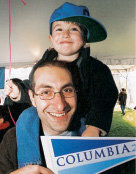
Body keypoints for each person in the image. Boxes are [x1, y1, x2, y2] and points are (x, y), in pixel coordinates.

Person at [4, 2, 118, 137]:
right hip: (49, 119)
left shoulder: (97, 69)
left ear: (84, 39)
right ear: (51, 39)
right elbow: (34, 86)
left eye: (74, 29)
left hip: (80, 121)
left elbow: (104, 99)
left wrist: (94, 126)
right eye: (59, 29)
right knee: (27, 116)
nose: (65, 34)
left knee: (77, 131)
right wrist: (18, 92)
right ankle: (31, 159)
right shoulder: (43, 66)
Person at [0, 60, 86, 173]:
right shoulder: (13, 139)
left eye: (67, 90)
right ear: (32, 98)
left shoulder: (98, 140)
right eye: (46, 92)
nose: (60, 105)